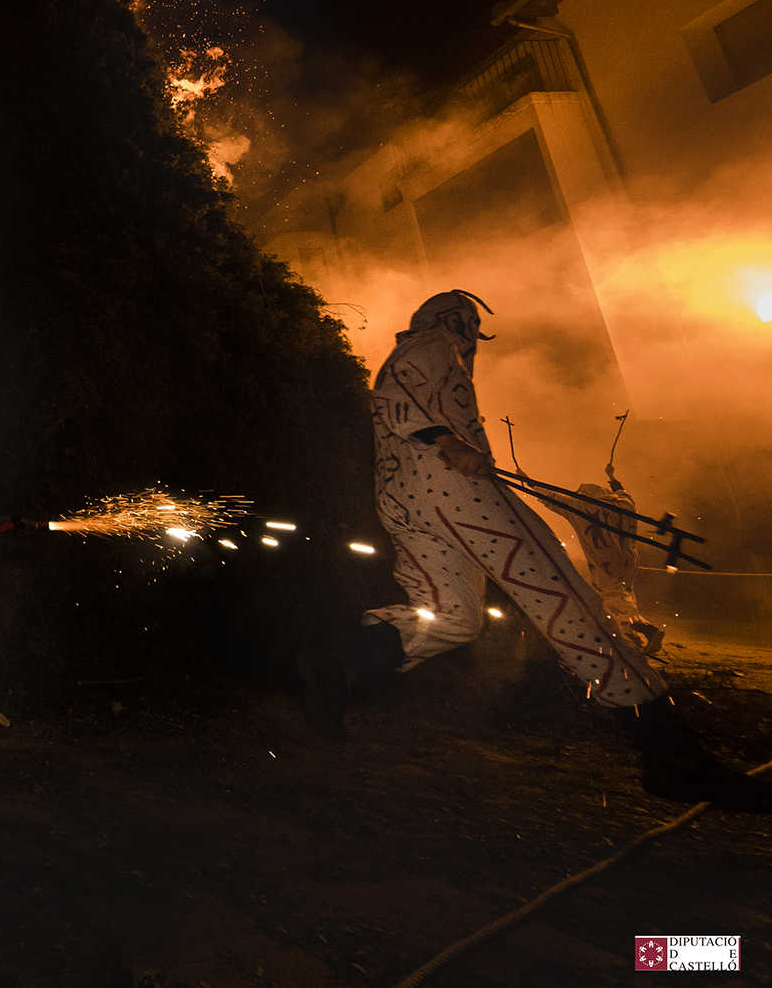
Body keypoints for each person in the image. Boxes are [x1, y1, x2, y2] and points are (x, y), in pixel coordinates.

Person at [298, 290, 771, 810]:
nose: (472, 339)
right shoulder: (433, 345)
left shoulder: (419, 353)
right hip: (457, 493)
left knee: (452, 616)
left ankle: (338, 663)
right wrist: (449, 442)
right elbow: (398, 398)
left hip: (402, 500)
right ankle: (673, 756)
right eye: (470, 328)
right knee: (570, 604)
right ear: (456, 322)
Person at [529, 465, 663, 656]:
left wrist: (531, 484)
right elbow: (622, 491)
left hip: (605, 562)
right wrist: (612, 477)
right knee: (624, 596)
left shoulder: (581, 506)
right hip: (629, 561)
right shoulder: (625, 504)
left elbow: (554, 499)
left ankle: (636, 640)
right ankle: (637, 635)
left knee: (613, 602)